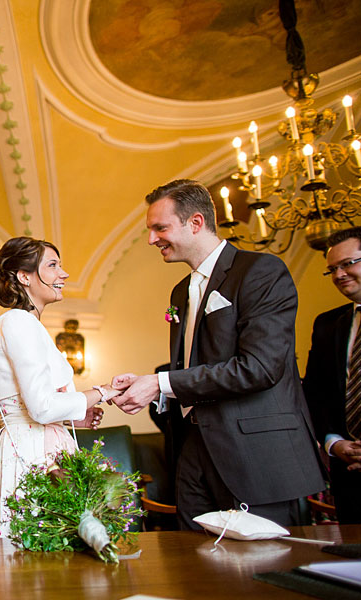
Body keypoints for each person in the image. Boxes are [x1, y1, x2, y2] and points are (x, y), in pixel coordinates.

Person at [112, 179, 324, 530]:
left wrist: (161, 383)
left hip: (256, 454)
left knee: (261, 571)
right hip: (194, 450)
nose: (151, 239)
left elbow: (258, 368)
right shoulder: (181, 291)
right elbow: (194, 367)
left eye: (159, 228)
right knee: (194, 564)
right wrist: (151, 385)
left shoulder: (260, 272)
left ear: (195, 223)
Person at [0, 237, 112, 539]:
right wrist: (103, 392)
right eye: (52, 266)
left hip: (40, 447)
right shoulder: (17, 322)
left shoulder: (27, 325)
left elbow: (26, 405)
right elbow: (39, 408)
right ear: (24, 277)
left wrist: (70, 419)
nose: (63, 275)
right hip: (30, 455)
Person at [304, 227, 361, 523]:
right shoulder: (328, 325)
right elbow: (315, 393)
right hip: (349, 476)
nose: (339, 275)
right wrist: (333, 442)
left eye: (348, 264)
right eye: (332, 269)